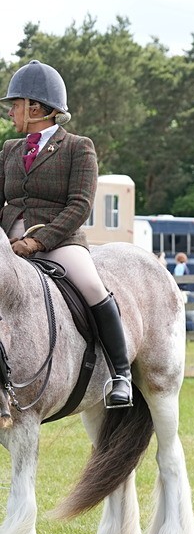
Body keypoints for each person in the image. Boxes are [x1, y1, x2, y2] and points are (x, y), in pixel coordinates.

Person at [0, 60, 132, 407]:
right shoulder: (10, 150)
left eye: (15, 105)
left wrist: (37, 241)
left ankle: (121, 375)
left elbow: (79, 205)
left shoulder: (78, 146)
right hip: (7, 241)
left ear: (36, 107)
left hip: (57, 239)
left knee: (91, 285)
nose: (11, 111)